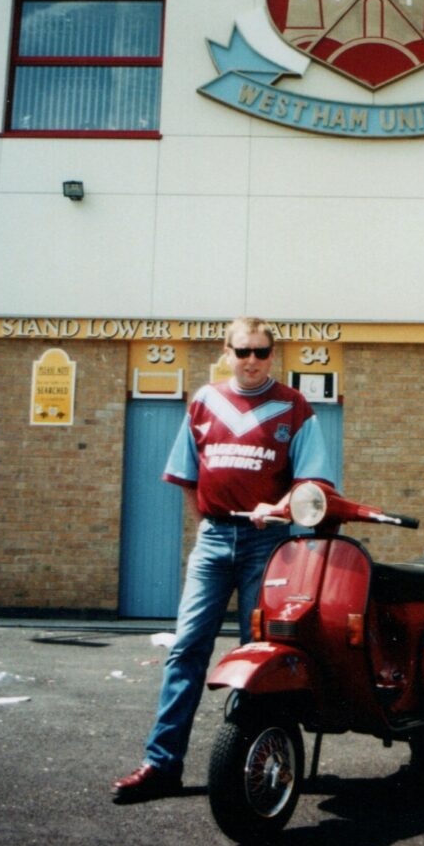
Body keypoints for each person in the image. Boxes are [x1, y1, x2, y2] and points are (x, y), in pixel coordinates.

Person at [112, 316, 333, 803]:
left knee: (259, 652)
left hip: (267, 544)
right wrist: (206, 528)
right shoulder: (204, 401)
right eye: (242, 351)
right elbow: (188, 477)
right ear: (226, 352)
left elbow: (312, 484)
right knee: (187, 648)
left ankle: (255, 762)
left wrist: (276, 509)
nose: (251, 361)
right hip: (214, 542)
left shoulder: (295, 407)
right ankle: (162, 764)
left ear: (273, 356)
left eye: (261, 352)